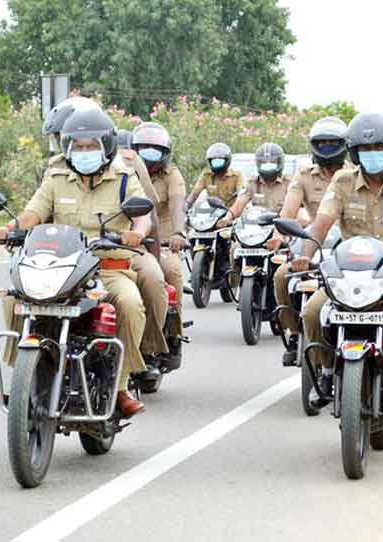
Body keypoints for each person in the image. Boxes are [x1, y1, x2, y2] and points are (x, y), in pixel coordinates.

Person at [0, 108, 149, 417]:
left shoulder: (124, 179)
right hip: (60, 267)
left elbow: (143, 218)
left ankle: (120, 386)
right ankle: (21, 380)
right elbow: (33, 212)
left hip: (106, 268)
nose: (84, 151)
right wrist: (10, 230)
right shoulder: (56, 178)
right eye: (78, 146)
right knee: (15, 300)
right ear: (67, 148)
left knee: (130, 303)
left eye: (91, 146)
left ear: (106, 146)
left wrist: (137, 234)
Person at [291, 112, 383, 417]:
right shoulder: (342, 182)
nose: (373, 156)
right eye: (366, 150)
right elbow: (321, 223)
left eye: (380, 149)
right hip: (350, 271)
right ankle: (328, 370)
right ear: (355, 153)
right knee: (312, 311)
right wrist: (304, 254)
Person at [40, 98, 169, 375]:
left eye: (87, 142)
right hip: (67, 254)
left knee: (152, 281)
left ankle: (145, 354)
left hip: (121, 248)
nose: (77, 147)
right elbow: (40, 212)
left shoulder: (128, 164)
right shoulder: (55, 169)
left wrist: (141, 242)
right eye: (67, 139)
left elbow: (148, 215)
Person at [270, 116, 350, 364]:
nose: (327, 147)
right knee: (282, 275)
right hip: (312, 243)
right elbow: (289, 209)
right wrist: (278, 234)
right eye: (321, 143)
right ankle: (295, 333)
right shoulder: (302, 175)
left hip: (346, 246)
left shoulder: (354, 175)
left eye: (332, 143)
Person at [131, 122, 187, 369]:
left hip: (163, 241)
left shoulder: (172, 175)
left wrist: (178, 232)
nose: (148, 153)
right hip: (131, 242)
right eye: (143, 148)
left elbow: (177, 205)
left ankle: (172, 332)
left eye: (154, 149)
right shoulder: (126, 171)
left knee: (171, 271)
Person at [219, 142, 290, 225]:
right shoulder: (252, 183)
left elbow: (298, 211)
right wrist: (227, 218)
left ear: (280, 162)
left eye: (272, 163)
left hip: (281, 227)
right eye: (264, 163)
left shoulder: (289, 184)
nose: (268, 166)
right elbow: (239, 204)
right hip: (257, 227)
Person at [187, 143, 244, 209]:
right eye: (214, 161)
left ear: (227, 160)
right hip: (212, 213)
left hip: (230, 212)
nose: (216, 164)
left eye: (219, 161)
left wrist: (235, 210)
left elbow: (241, 196)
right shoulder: (206, 175)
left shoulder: (236, 176)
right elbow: (194, 194)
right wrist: (186, 206)